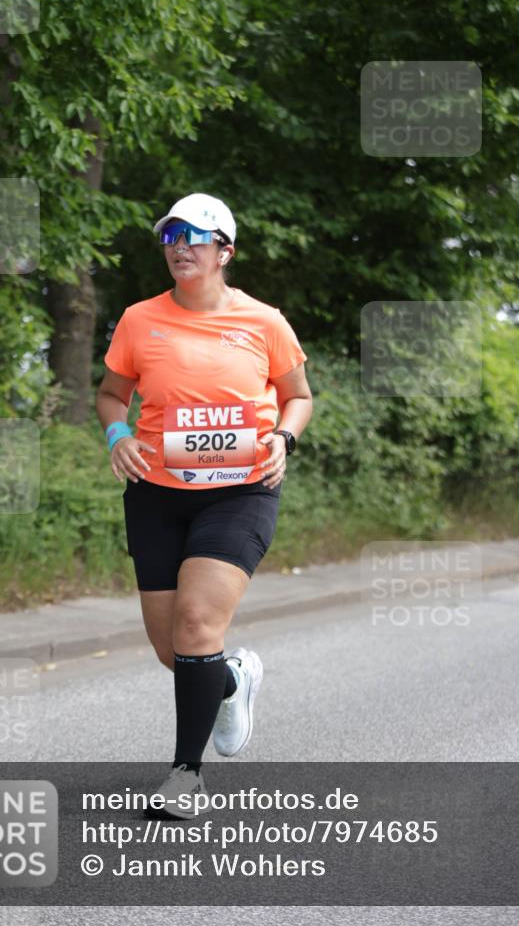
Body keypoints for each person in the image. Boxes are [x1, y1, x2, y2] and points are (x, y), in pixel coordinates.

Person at [96, 193, 312, 818]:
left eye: (194, 236)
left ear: (225, 251)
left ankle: (185, 776)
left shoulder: (264, 322)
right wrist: (119, 434)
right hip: (157, 494)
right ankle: (233, 680)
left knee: (196, 627)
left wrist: (283, 437)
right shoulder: (139, 320)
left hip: (241, 491)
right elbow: (112, 394)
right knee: (175, 651)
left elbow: (299, 396)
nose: (179, 246)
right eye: (170, 236)